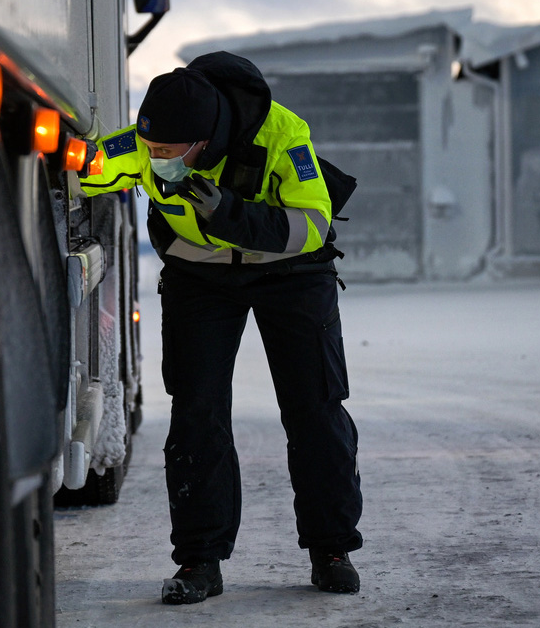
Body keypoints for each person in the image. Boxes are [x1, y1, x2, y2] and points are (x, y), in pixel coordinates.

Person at [72, 51, 362, 604]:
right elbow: (88, 165)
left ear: (204, 141)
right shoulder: (146, 141)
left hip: (291, 274)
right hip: (199, 279)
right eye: (150, 150)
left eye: (170, 154)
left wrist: (228, 211)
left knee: (315, 408)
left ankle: (331, 548)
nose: (157, 161)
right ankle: (199, 560)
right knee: (196, 413)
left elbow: (314, 224)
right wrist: (73, 163)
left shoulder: (282, 136)